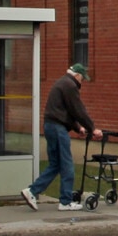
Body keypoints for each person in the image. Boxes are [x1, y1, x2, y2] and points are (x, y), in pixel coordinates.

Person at [23, 63, 96, 211]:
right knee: (67, 164)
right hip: (58, 129)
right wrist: (92, 129)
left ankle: (31, 191)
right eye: (82, 79)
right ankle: (65, 201)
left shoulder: (62, 82)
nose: (82, 82)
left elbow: (66, 111)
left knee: (55, 164)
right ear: (77, 75)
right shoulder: (70, 85)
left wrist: (78, 128)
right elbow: (78, 110)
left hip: (50, 126)